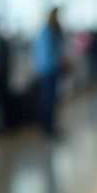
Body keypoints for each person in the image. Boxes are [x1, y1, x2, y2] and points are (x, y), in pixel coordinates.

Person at [33, 8, 66, 138]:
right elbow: (52, 52)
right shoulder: (50, 31)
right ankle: (48, 127)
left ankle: (47, 126)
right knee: (49, 99)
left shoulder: (45, 30)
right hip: (49, 69)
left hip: (44, 69)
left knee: (48, 99)